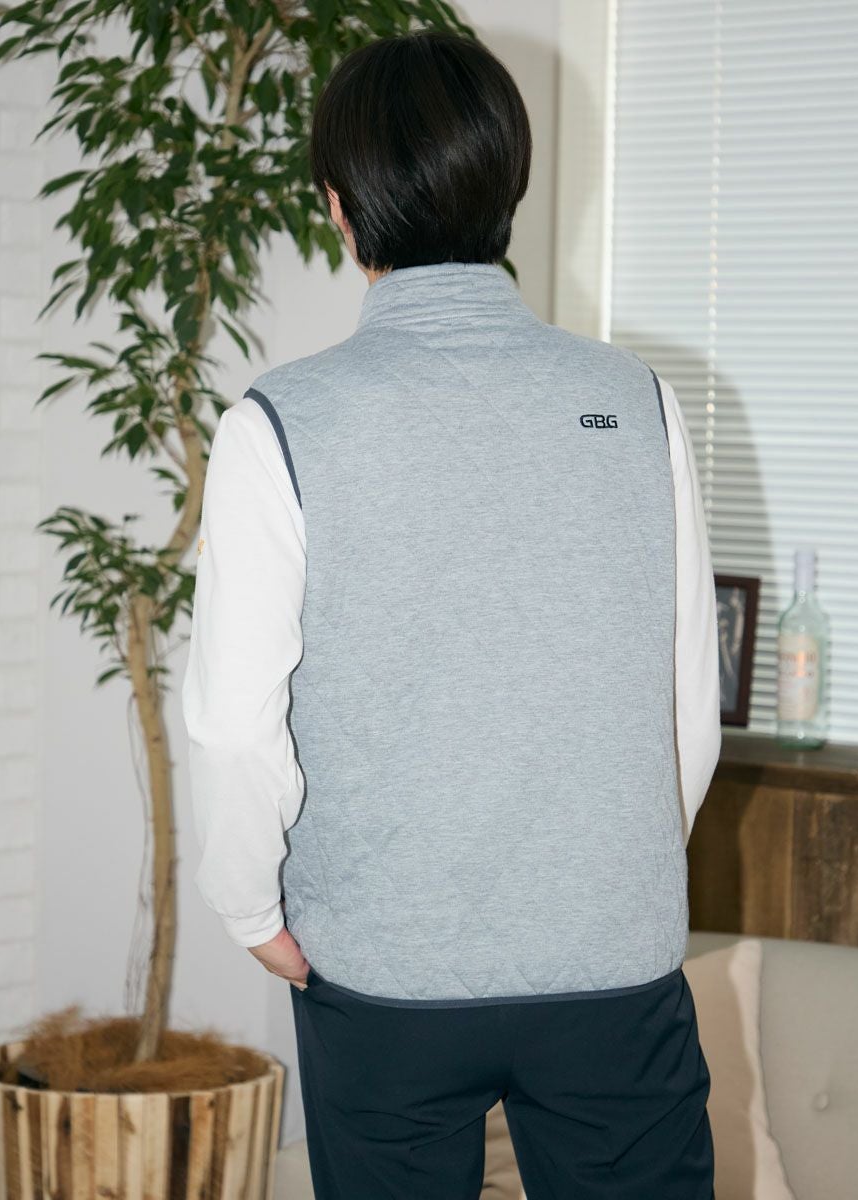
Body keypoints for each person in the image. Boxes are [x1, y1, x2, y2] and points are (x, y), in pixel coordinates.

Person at [182, 28, 722, 1200]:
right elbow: (688, 705)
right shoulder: (636, 403)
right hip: (612, 969)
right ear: (509, 184)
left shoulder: (279, 422)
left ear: (338, 206)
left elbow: (231, 727)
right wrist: (606, 879)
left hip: (385, 978)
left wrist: (251, 912)